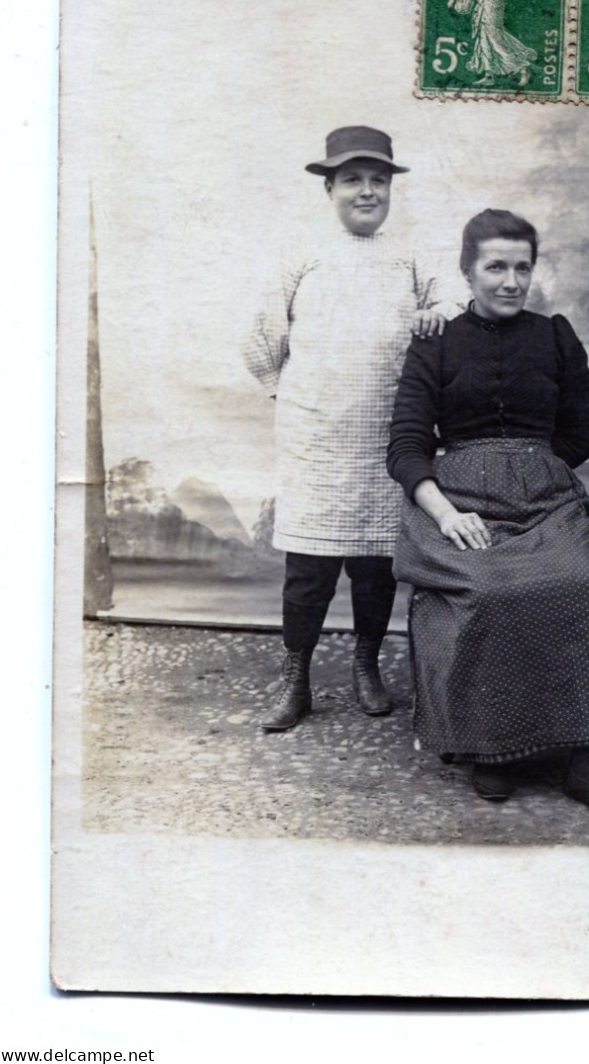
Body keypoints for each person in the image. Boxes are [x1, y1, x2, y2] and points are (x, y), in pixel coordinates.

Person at [387, 209, 589, 824]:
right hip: (457, 499)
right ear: (468, 272)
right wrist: (446, 511)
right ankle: (493, 744)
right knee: (490, 588)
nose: (511, 281)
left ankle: (583, 756)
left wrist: (531, 469)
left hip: (546, 495)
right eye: (496, 267)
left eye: (523, 267)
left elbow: (581, 433)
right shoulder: (434, 340)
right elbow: (407, 446)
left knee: (584, 580)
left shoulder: (555, 336)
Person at [243, 126, 444, 732]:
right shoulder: (300, 256)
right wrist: (293, 398)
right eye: (352, 180)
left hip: (385, 440)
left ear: (390, 190)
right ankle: (296, 678)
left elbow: (450, 306)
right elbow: (261, 341)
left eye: (377, 181)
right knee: (308, 569)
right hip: (317, 441)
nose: (366, 191)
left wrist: (436, 313)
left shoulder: (410, 257)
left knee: (375, 565)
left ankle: (366, 665)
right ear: (329, 188)